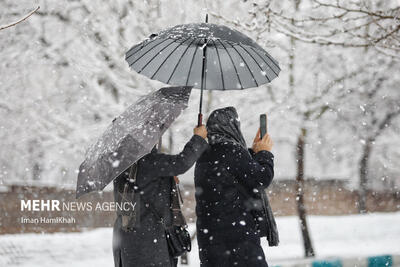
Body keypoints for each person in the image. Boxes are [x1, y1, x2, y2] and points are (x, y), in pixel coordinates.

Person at [113, 125, 208, 267]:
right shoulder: (149, 162)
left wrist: (167, 179)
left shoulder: (121, 168)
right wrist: (198, 138)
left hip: (128, 246)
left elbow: (143, 194)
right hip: (151, 246)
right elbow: (182, 162)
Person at [194, 107, 274, 267]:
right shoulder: (234, 152)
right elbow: (261, 178)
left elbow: (233, 174)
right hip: (238, 241)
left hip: (210, 242)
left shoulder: (202, 156)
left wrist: (252, 152)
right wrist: (264, 153)